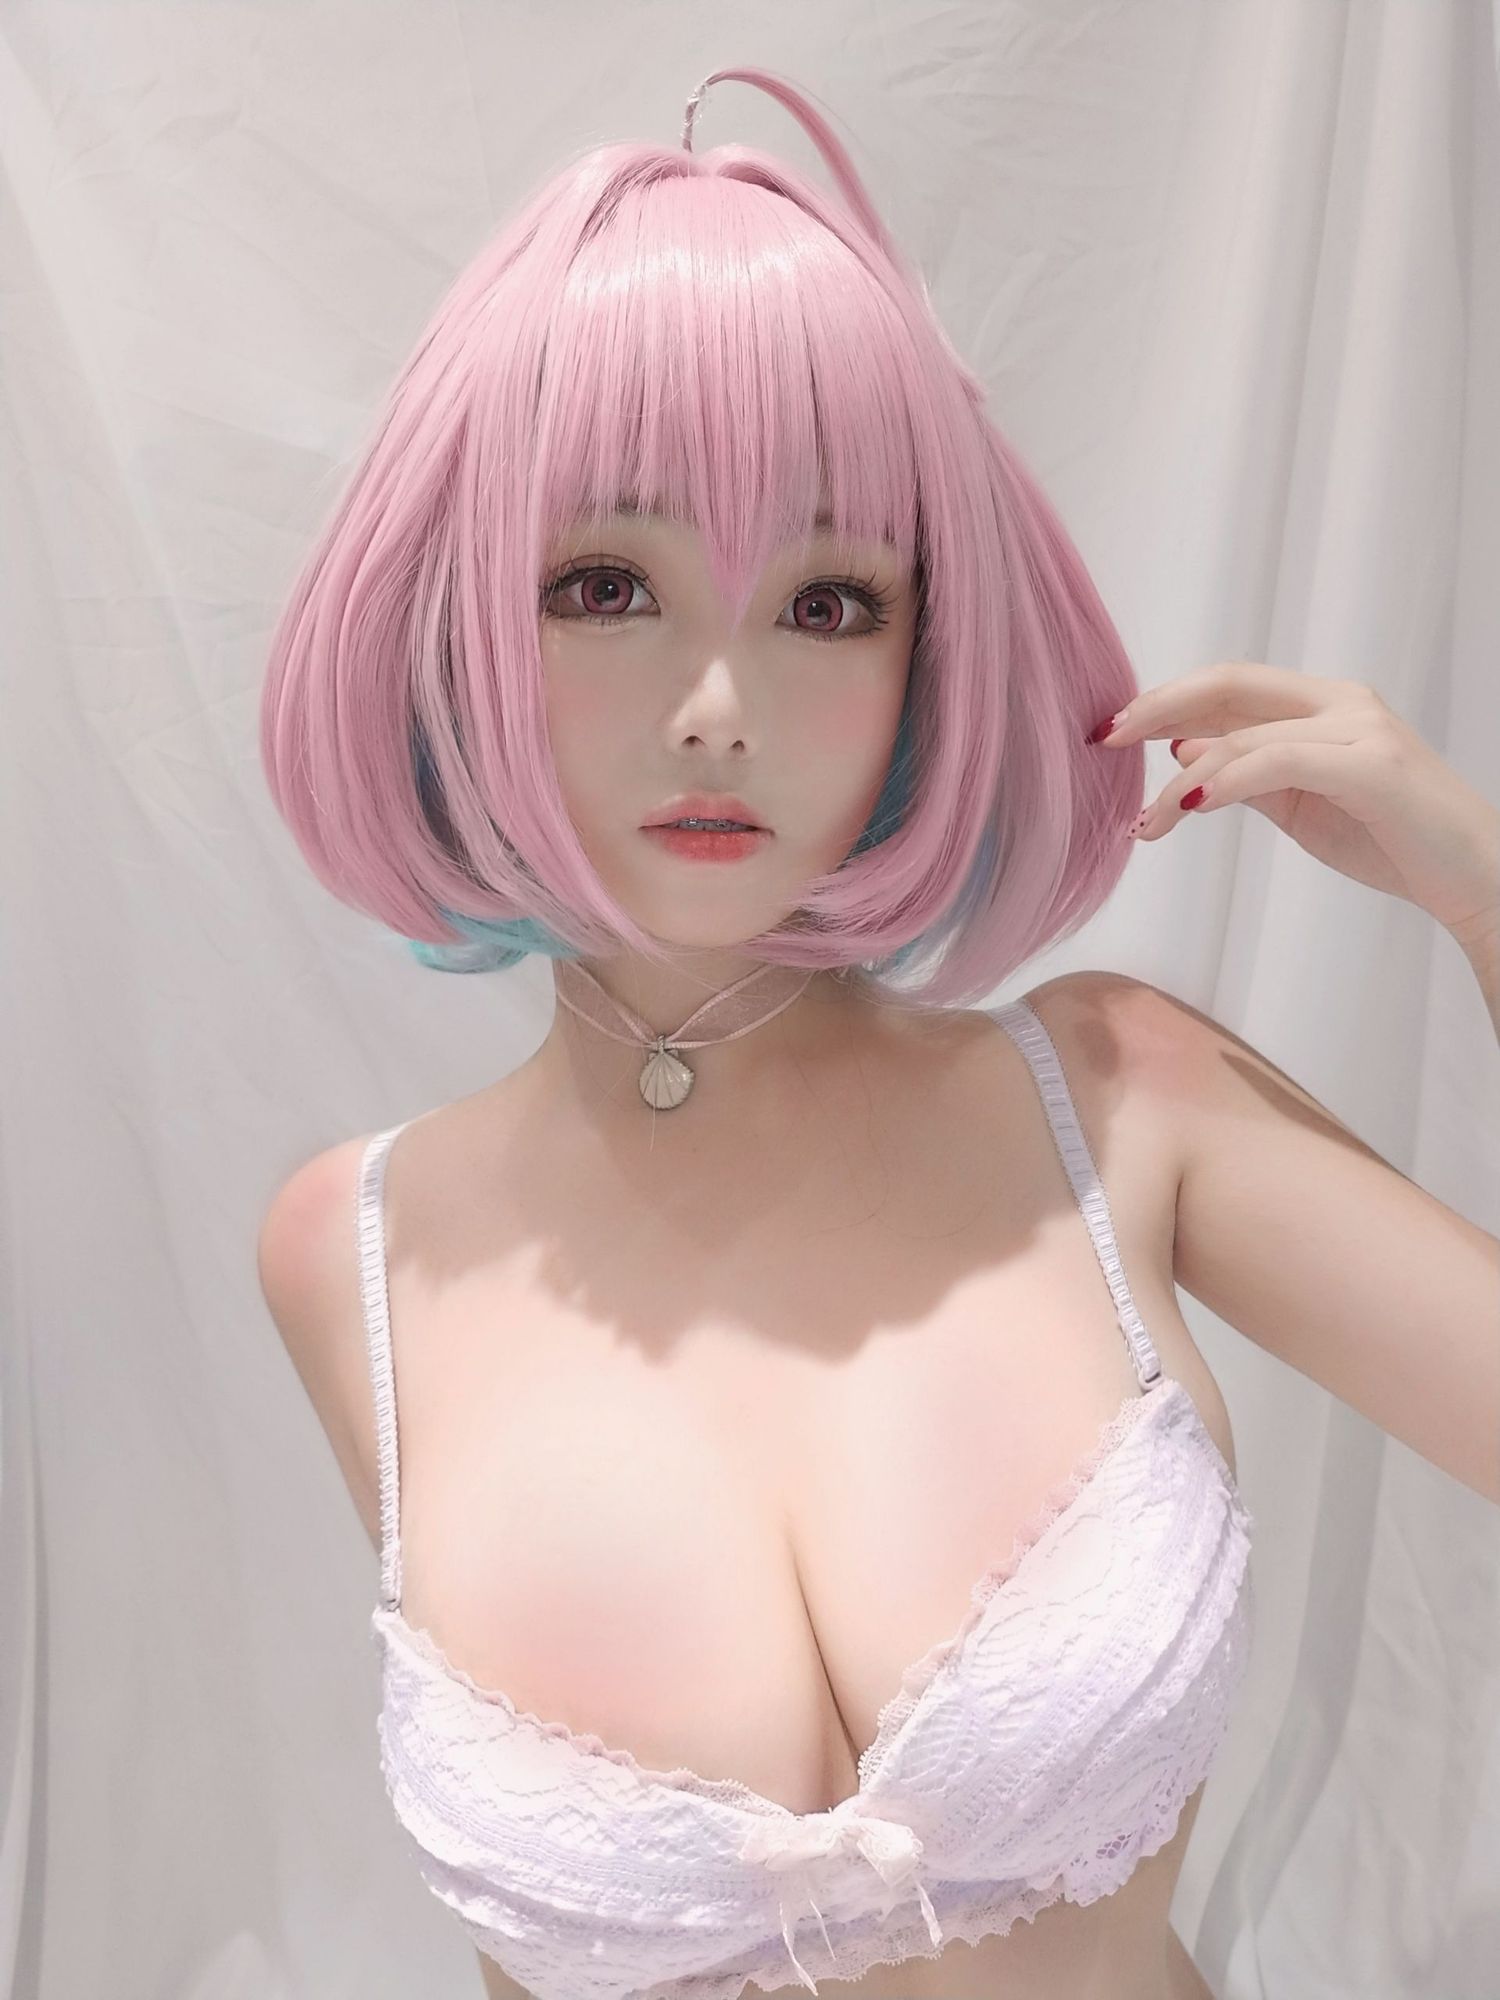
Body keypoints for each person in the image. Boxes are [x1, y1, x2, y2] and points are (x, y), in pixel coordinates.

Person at [254, 65, 1500, 2000]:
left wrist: (1485, 894)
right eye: (607, 585)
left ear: (931, 655)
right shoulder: (353, 1249)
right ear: (458, 624)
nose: (719, 702)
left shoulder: (1117, 1102)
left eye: (828, 600)